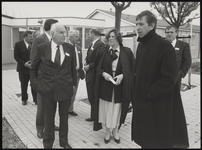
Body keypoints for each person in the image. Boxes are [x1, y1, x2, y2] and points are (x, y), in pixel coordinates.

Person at [131, 10, 189, 148]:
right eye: (136, 24)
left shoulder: (164, 46)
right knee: (145, 141)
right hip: (142, 104)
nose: (138, 27)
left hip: (156, 105)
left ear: (152, 25)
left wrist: (150, 93)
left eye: (141, 24)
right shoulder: (141, 44)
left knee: (155, 141)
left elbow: (169, 78)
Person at [30, 23, 77, 149]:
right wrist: (36, 85)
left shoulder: (69, 48)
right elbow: (33, 67)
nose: (64, 35)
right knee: (49, 119)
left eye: (65, 32)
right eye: (61, 32)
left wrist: (73, 85)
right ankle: (48, 143)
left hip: (65, 89)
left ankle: (64, 142)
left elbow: (73, 69)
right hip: (47, 90)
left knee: (64, 119)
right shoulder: (42, 48)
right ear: (53, 34)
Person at [93, 28, 135, 144]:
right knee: (106, 109)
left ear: (118, 38)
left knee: (117, 110)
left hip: (120, 88)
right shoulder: (102, 51)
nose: (110, 38)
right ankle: (107, 131)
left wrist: (122, 76)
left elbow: (132, 69)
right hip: (105, 87)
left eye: (113, 36)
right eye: (109, 37)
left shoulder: (127, 52)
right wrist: (103, 73)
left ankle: (116, 131)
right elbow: (97, 68)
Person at [30, 19, 59, 139]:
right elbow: (34, 61)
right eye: (56, 26)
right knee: (41, 106)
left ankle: (50, 125)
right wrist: (36, 82)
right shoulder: (39, 39)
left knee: (53, 105)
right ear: (50, 27)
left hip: (55, 80)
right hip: (43, 80)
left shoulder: (57, 40)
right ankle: (40, 128)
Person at [84, 28, 105, 121]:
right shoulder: (93, 44)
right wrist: (85, 61)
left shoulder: (100, 44)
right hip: (89, 75)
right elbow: (90, 57)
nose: (88, 36)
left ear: (93, 34)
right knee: (91, 96)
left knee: (93, 96)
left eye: (89, 34)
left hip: (93, 75)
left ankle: (96, 116)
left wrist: (89, 66)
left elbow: (100, 60)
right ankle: (93, 115)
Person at [14, 30, 37, 105]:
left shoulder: (34, 44)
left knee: (34, 84)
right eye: (30, 37)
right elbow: (16, 56)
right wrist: (24, 64)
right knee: (24, 84)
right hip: (23, 68)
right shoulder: (18, 44)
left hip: (32, 68)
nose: (32, 38)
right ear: (25, 37)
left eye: (32, 36)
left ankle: (36, 100)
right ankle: (24, 99)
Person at [68, 30, 85, 116]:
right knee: (69, 92)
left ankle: (70, 109)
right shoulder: (66, 47)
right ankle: (65, 109)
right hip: (70, 74)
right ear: (70, 38)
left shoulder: (78, 48)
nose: (78, 38)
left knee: (74, 92)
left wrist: (81, 71)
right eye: (76, 36)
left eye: (78, 36)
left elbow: (80, 61)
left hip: (78, 73)